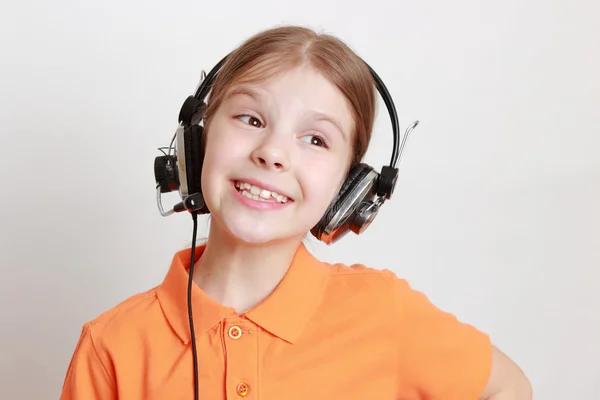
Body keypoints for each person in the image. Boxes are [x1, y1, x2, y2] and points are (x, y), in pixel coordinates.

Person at [59, 25, 532, 399]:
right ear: (196, 144)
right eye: (251, 119)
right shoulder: (112, 346)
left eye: (316, 139)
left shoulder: (381, 311)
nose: (274, 153)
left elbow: (508, 387)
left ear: (349, 189)